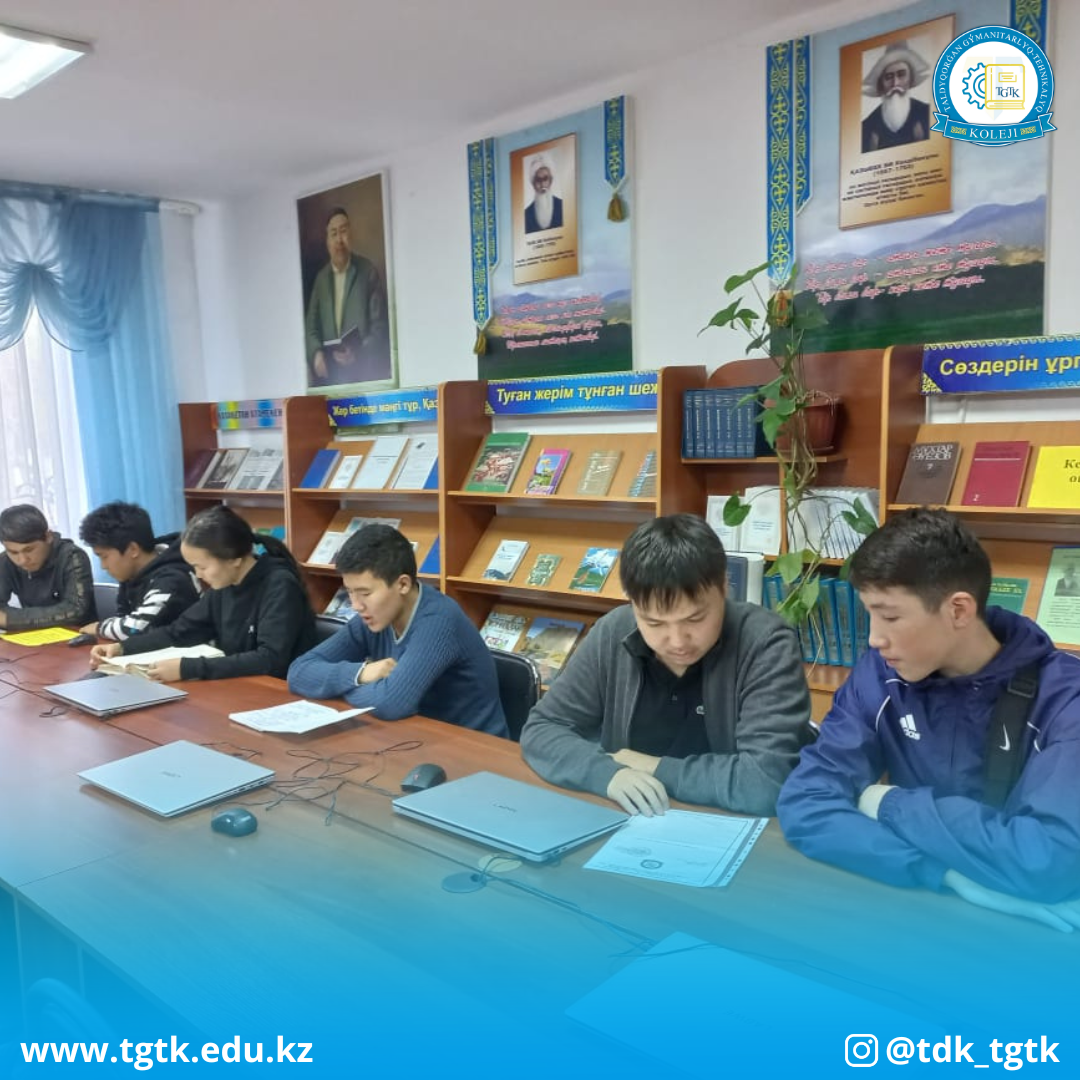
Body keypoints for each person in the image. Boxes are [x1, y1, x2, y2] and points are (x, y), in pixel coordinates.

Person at [777, 509, 1080, 931]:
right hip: (918, 908)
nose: (874, 638)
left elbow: (1049, 859)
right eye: (869, 614)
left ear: (958, 610)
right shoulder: (880, 675)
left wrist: (887, 803)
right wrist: (942, 873)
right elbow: (805, 802)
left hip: (1039, 934)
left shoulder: (1065, 699)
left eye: (890, 616)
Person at [520, 514, 812, 817]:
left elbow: (764, 782)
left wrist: (652, 767)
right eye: (655, 623)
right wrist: (607, 774)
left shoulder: (765, 643)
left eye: (695, 619)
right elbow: (543, 729)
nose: (677, 641)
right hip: (631, 818)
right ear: (632, 602)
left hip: (725, 821)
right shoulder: (614, 631)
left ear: (724, 586)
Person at [287, 524, 507, 736]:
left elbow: (390, 704)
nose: (356, 605)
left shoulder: (439, 619)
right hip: (412, 737)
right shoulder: (374, 616)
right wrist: (360, 674)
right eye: (350, 592)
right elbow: (298, 672)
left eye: (365, 593)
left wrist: (336, 686)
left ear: (403, 584)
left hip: (473, 747)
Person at [89, 506, 316, 681]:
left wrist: (187, 668)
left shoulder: (279, 585)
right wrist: (123, 648)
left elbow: (270, 659)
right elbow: (179, 632)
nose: (198, 575)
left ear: (234, 559)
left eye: (202, 567)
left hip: (281, 691)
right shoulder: (224, 584)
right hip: (240, 685)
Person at [78, 501, 201, 641]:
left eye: (104, 557)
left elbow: (133, 629)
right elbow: (123, 617)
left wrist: (99, 628)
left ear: (133, 550)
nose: (103, 566)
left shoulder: (172, 579)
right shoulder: (132, 574)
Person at [304, 206, 390, 387]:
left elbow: (380, 326)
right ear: (327, 241)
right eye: (333, 233)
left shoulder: (367, 271)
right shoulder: (321, 279)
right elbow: (310, 328)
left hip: (364, 376)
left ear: (351, 235)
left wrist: (359, 352)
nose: (339, 240)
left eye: (343, 231)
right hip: (331, 378)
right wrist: (316, 354)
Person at [0, 504, 94, 630]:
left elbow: (75, 610)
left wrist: (10, 619)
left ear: (48, 537)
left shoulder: (72, 556)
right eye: (13, 552)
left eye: (29, 550)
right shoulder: (5, 561)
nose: (22, 560)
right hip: (30, 636)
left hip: (78, 635)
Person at [861, 41, 931, 153]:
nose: (895, 83)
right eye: (888, 77)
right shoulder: (867, 126)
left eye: (901, 75)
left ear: (910, 79)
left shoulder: (927, 114)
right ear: (881, 84)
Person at [524, 156, 564, 234]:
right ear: (533, 184)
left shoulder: (563, 206)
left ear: (551, 181)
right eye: (538, 180)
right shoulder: (526, 214)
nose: (542, 184)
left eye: (545, 179)